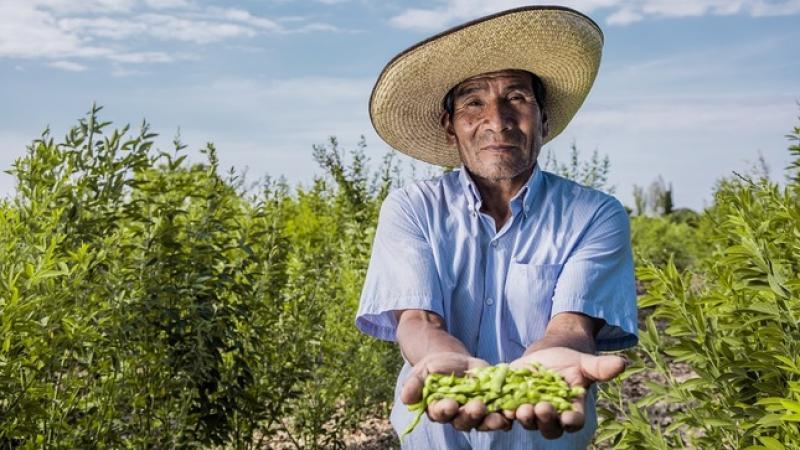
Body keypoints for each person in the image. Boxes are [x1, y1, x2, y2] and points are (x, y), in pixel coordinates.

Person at [356, 6, 638, 449]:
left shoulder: (595, 214)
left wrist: (551, 358)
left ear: (544, 120)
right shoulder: (412, 209)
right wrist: (437, 355)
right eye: (473, 103)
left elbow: (572, 326)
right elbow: (417, 318)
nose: (498, 120)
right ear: (450, 127)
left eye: (517, 99)